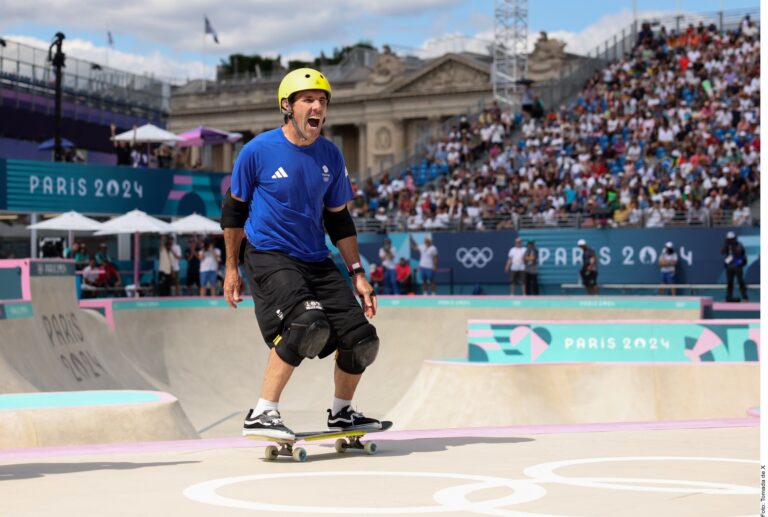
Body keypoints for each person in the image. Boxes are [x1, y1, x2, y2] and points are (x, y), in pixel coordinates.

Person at [220, 67, 382, 441]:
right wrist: (231, 268)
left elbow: (338, 219)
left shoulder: (330, 154)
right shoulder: (257, 151)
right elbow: (233, 211)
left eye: (322, 101)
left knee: (361, 339)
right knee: (306, 324)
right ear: (287, 106)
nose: (317, 107)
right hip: (269, 254)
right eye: (308, 99)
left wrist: (357, 272)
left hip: (316, 258)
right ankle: (263, 412)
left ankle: (342, 414)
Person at [721, 231, 748, 302]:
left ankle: (745, 297)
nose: (730, 241)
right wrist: (726, 247)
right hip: (729, 266)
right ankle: (728, 297)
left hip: (737, 266)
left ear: (735, 238)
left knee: (740, 281)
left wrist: (734, 248)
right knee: (729, 282)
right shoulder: (726, 245)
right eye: (729, 239)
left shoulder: (739, 245)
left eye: (731, 239)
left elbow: (741, 253)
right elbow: (722, 252)